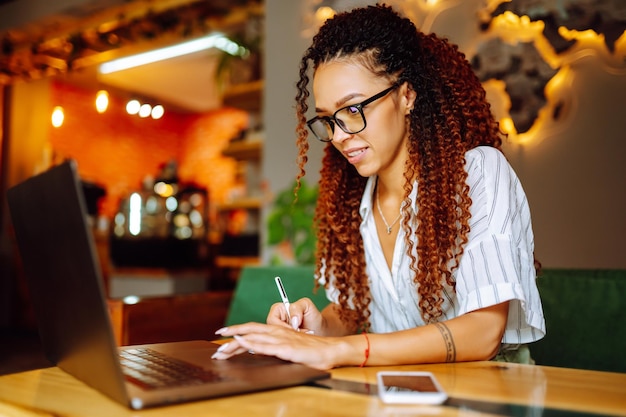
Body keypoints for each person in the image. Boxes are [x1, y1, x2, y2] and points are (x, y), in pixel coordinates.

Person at [212, 3, 545, 370]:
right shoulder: (357, 198)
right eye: (327, 120)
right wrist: (321, 326)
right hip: (396, 397)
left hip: (487, 397)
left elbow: (483, 332)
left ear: (407, 95)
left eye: (353, 109)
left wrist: (343, 351)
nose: (338, 136)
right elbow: (355, 310)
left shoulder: (478, 174)